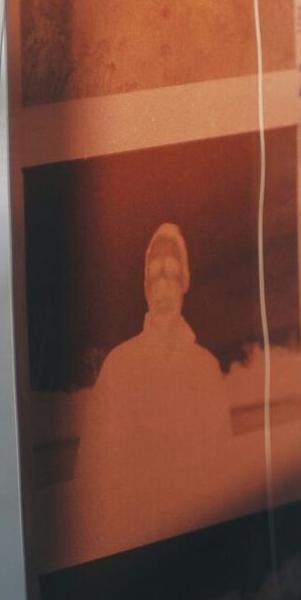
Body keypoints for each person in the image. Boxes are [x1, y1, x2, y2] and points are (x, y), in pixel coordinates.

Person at [74, 225, 235, 541]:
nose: (163, 286)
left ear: (184, 283)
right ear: (145, 287)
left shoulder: (206, 368)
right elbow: (89, 478)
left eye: (172, 274)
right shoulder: (118, 367)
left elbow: (224, 476)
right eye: (154, 275)